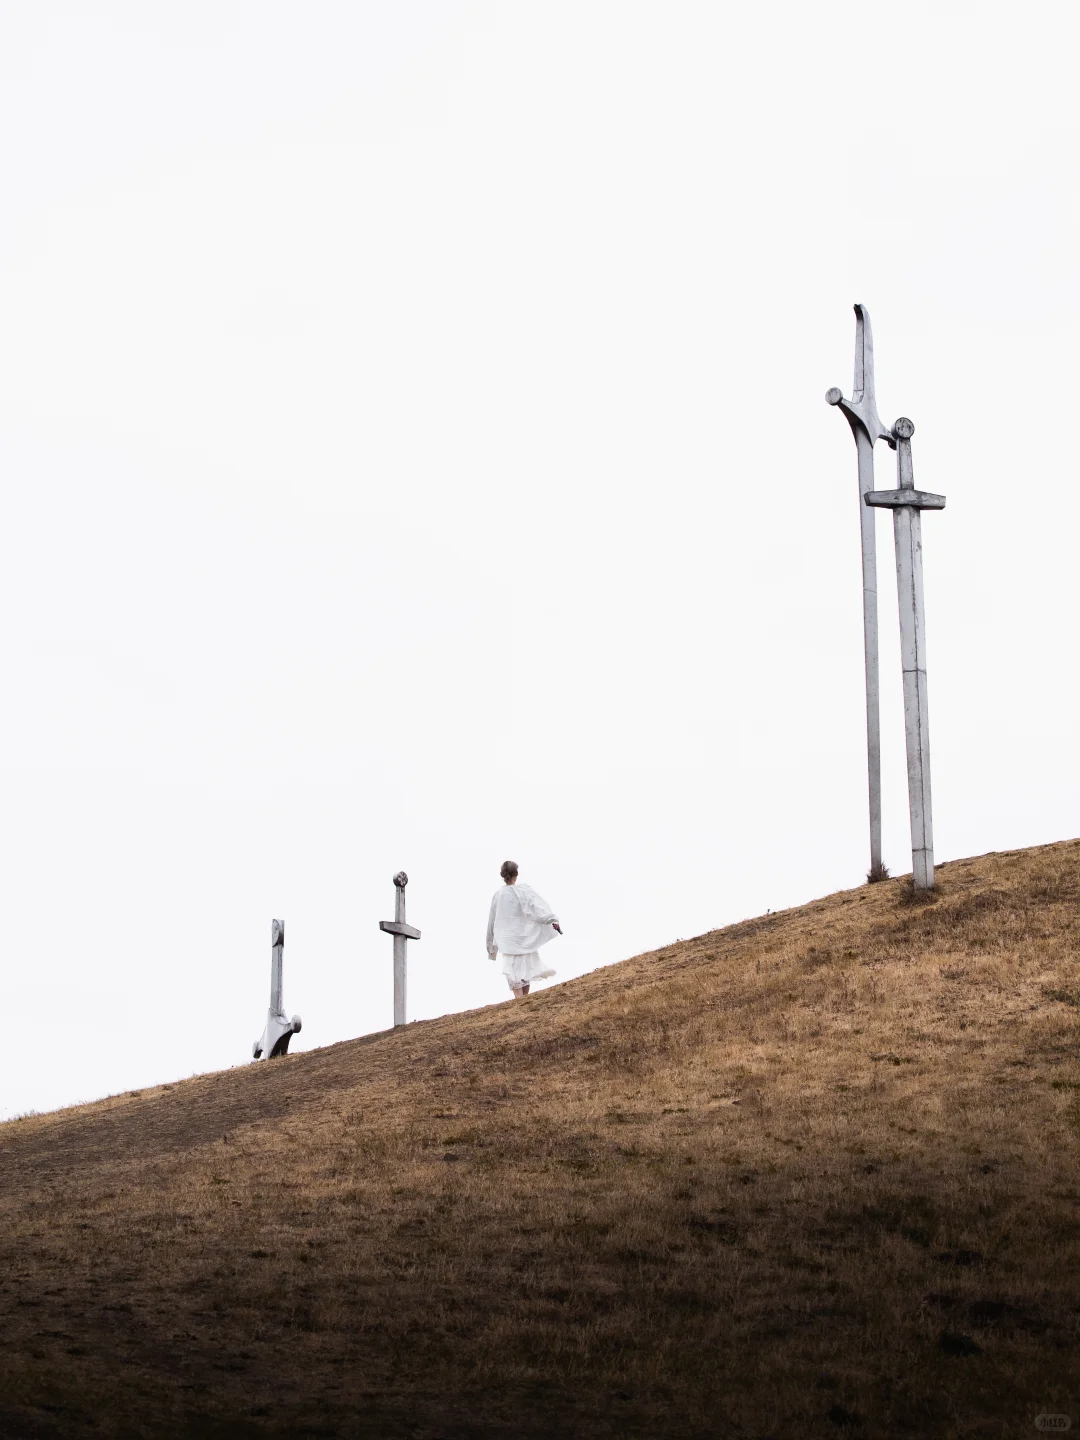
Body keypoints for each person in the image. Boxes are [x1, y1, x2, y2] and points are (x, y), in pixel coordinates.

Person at [486, 860, 562, 998]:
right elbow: (536, 909)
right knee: (525, 970)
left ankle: (520, 1002)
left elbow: (491, 922)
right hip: (523, 938)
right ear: (516, 874)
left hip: (507, 940)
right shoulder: (523, 891)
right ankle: (523, 1001)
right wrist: (551, 919)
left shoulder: (498, 895)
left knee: (514, 971)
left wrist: (491, 949)